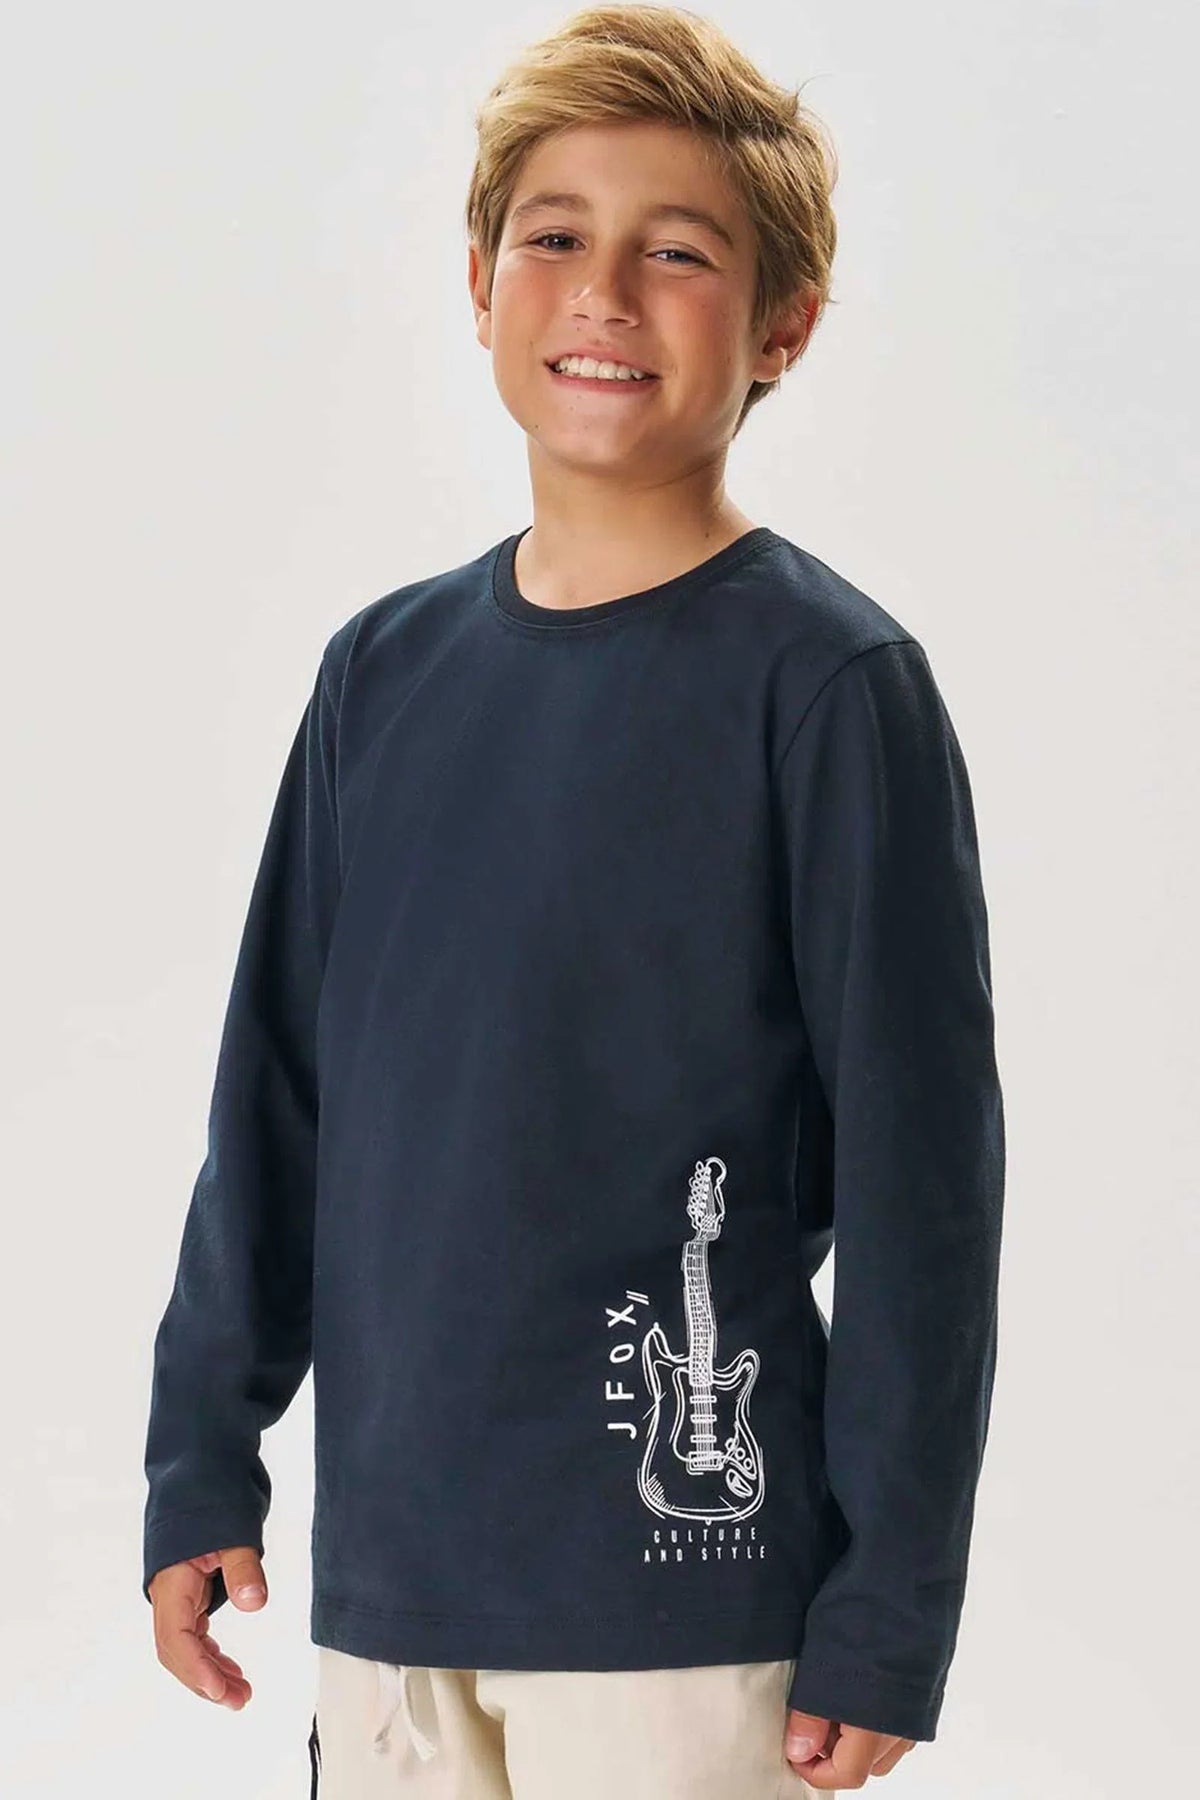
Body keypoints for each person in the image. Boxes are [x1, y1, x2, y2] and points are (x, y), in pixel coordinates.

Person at [142, 7, 1006, 1796]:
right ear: (480, 287)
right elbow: (277, 1100)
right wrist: (200, 1454)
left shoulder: (829, 689)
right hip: (395, 1584)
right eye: (555, 236)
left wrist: (891, 1603)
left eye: (677, 253)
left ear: (784, 326)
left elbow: (924, 1183)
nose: (604, 290)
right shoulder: (381, 675)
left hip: (682, 1599)